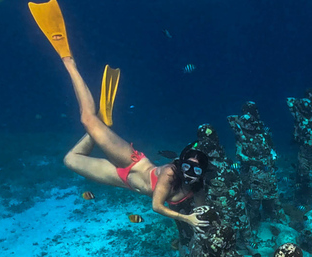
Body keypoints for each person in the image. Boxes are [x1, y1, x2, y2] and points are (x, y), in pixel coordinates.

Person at [27, 0, 209, 229]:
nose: (190, 173)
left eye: (196, 170)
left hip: (125, 181)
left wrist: (205, 216)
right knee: (86, 119)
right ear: (180, 164)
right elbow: (156, 206)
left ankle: (102, 123)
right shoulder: (172, 173)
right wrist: (186, 219)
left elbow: (203, 208)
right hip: (131, 163)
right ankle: (69, 63)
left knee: (70, 160)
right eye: (187, 166)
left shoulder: (197, 186)